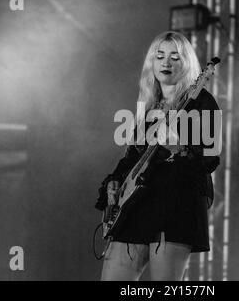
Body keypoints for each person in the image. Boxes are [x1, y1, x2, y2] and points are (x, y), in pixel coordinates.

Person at [95, 31, 221, 281]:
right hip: (137, 203)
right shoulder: (149, 105)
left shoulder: (203, 102)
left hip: (176, 204)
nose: (166, 62)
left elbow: (211, 158)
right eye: (160, 56)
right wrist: (115, 181)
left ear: (186, 63)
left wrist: (180, 147)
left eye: (175, 56)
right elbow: (132, 157)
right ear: (151, 63)